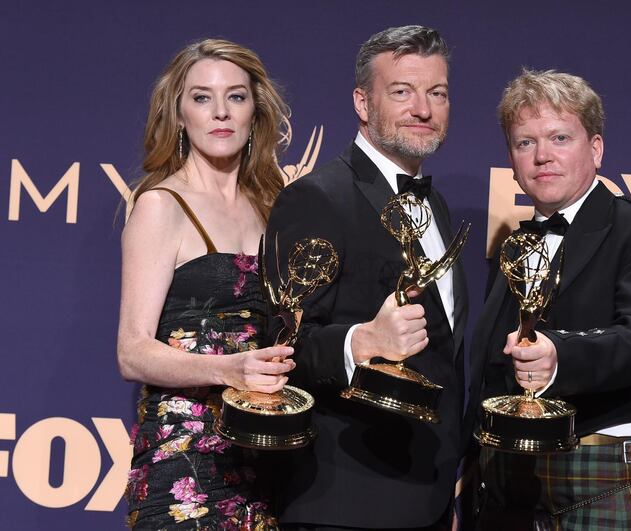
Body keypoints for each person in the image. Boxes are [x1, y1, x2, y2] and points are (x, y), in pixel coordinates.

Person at [265, 25, 470, 530]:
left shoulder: (435, 206)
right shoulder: (318, 197)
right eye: (402, 91)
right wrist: (363, 341)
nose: (423, 108)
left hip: (431, 494)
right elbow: (281, 343)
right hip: (346, 498)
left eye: (436, 93)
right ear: (362, 102)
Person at [468, 69, 631, 529]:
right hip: (506, 480)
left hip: (600, 472)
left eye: (559, 137)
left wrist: (559, 356)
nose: (542, 156)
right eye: (524, 142)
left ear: (597, 149)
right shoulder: (512, 247)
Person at [116, 38, 295, 530]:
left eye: (236, 96)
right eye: (201, 97)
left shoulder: (273, 208)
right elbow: (132, 352)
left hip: (266, 455)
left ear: (255, 112)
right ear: (178, 113)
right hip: (187, 458)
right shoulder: (161, 205)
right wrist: (229, 369)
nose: (220, 111)